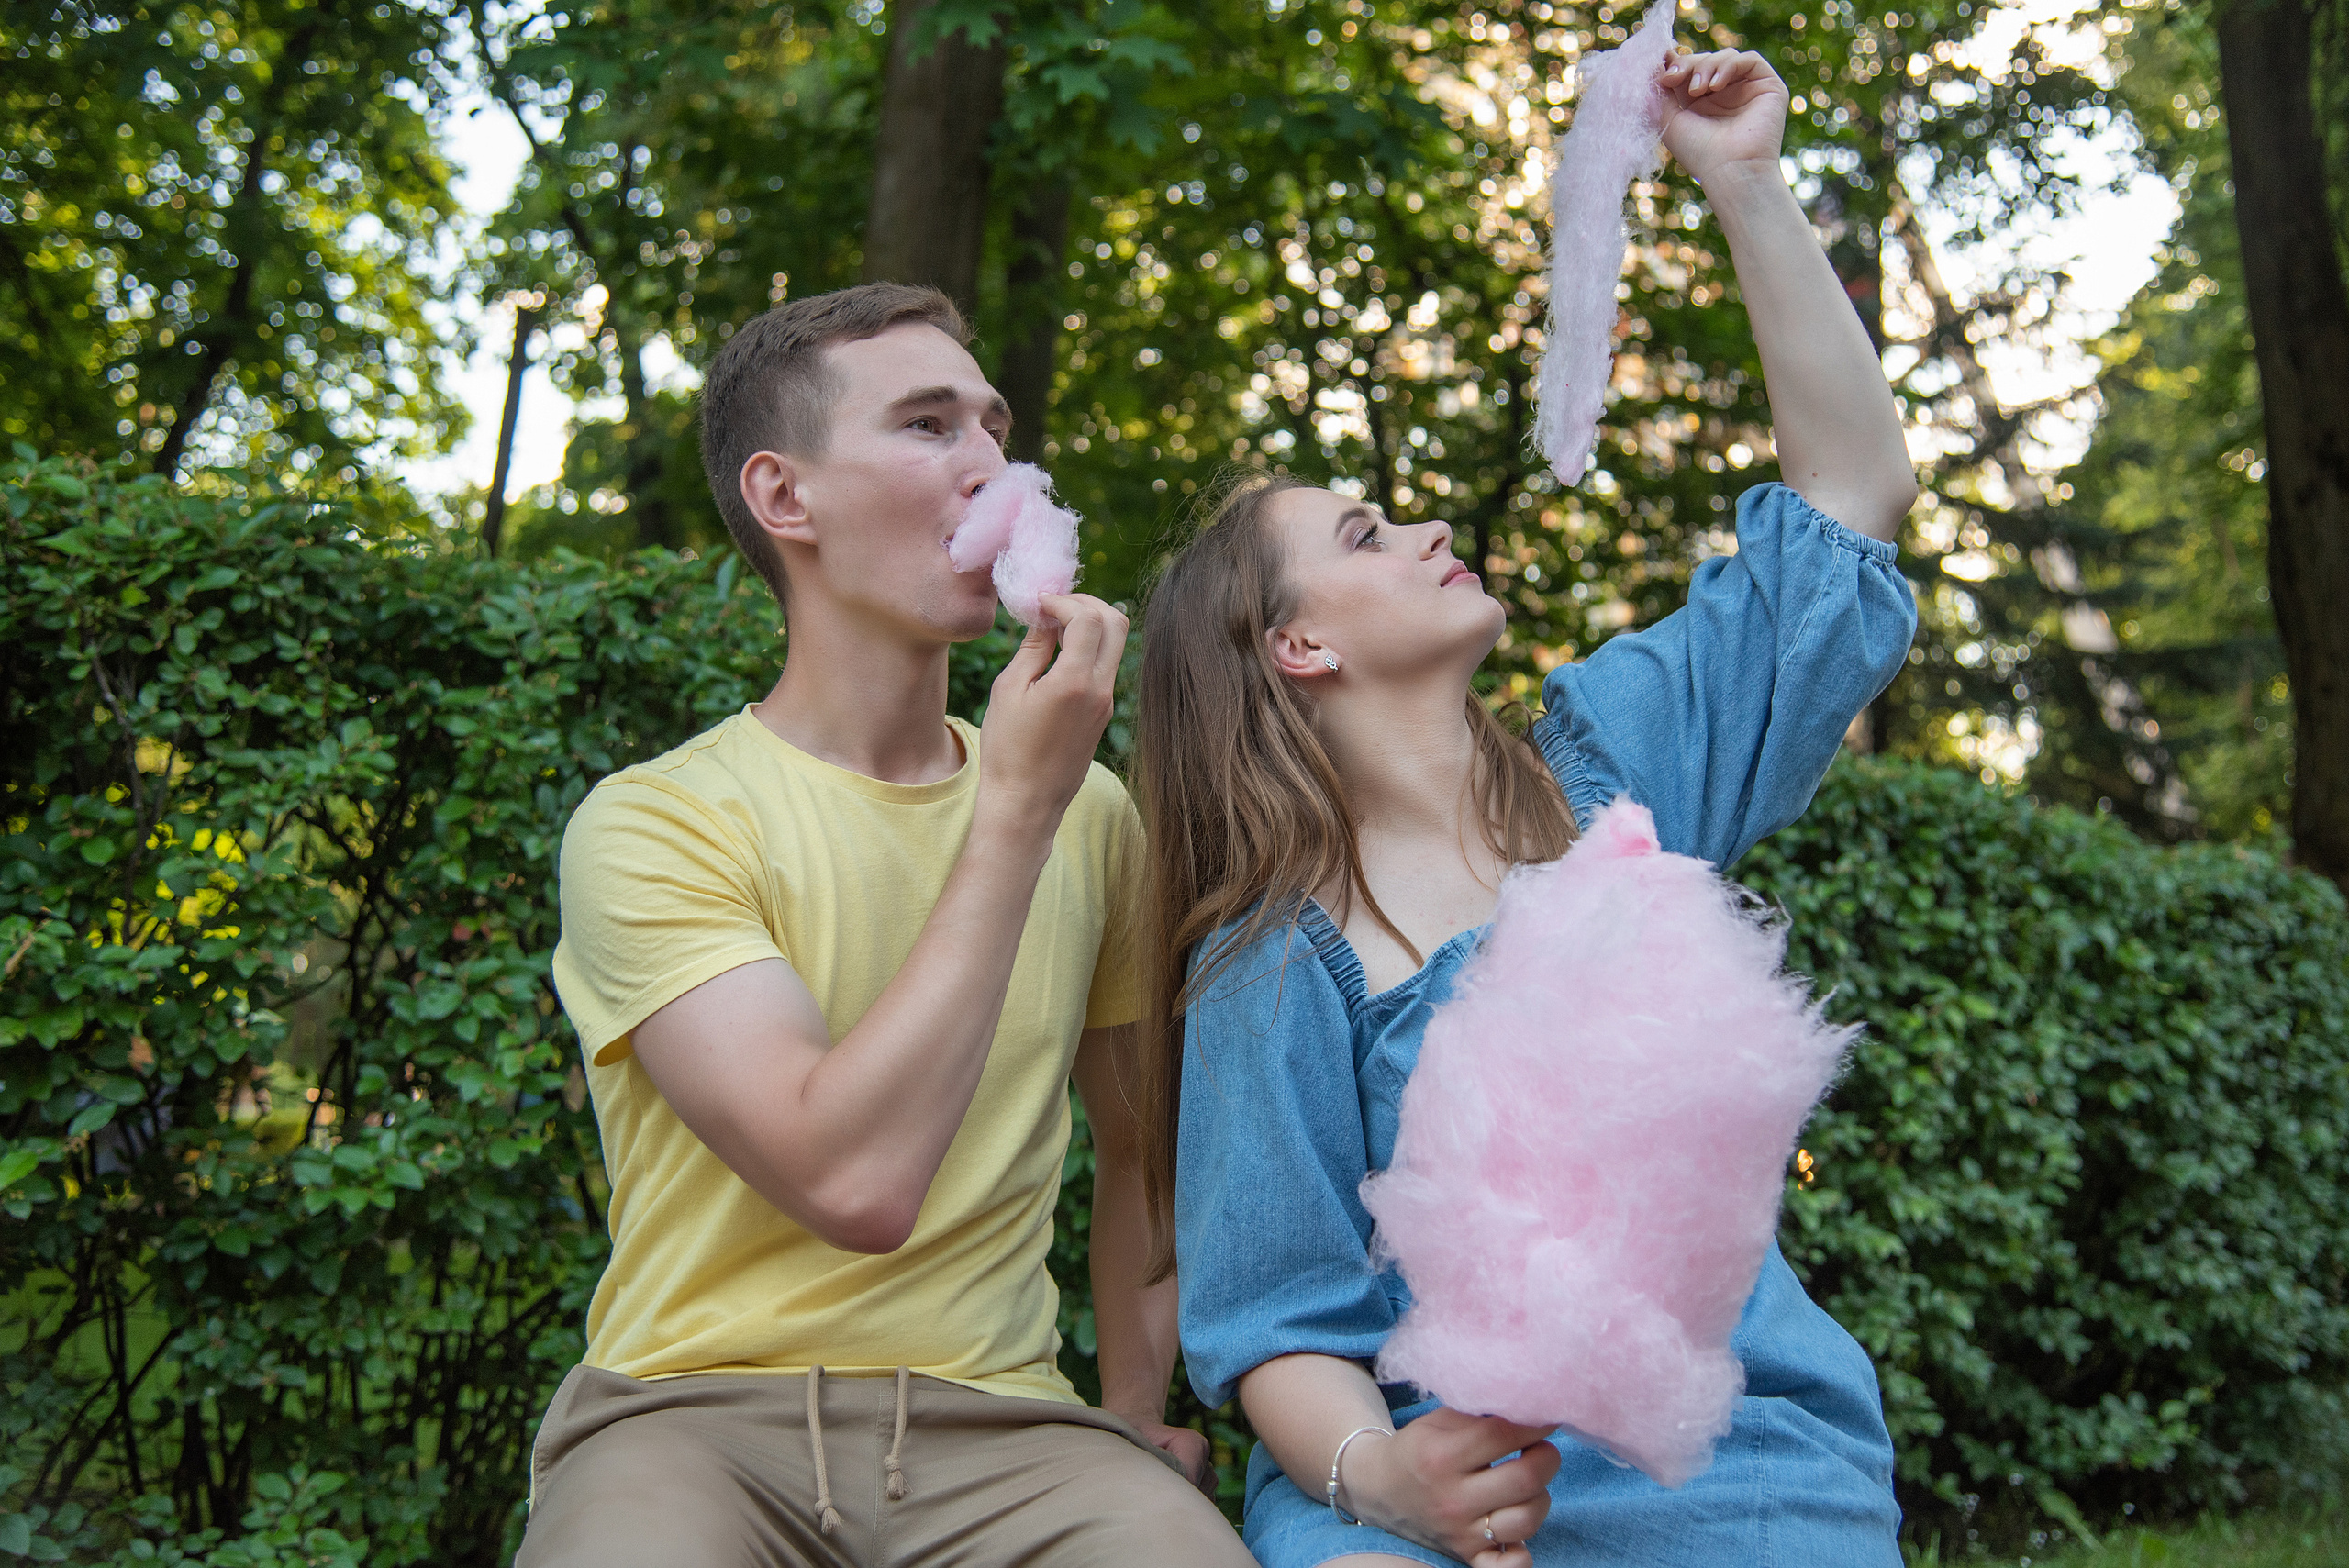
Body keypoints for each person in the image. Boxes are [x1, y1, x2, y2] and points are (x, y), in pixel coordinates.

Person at [1131, 48, 1920, 1568]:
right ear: (1300, 646)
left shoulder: (1615, 773)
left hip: (1730, 1452)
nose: (1425, 520)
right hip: (1439, 1492)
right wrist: (1386, 1481)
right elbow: (1276, 1323)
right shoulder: (1277, 961)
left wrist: (1742, 182)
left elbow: (1852, 499)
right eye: (1364, 529)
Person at [520, 283, 1250, 1567]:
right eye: (927, 426)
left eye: (994, 426)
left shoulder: (1094, 812)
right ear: (783, 496)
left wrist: (1136, 1408)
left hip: (1011, 1430)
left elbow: (1140, 1154)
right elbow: (852, 1179)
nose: (991, 465)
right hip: (688, 1418)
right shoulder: (654, 825)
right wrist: (1015, 810)